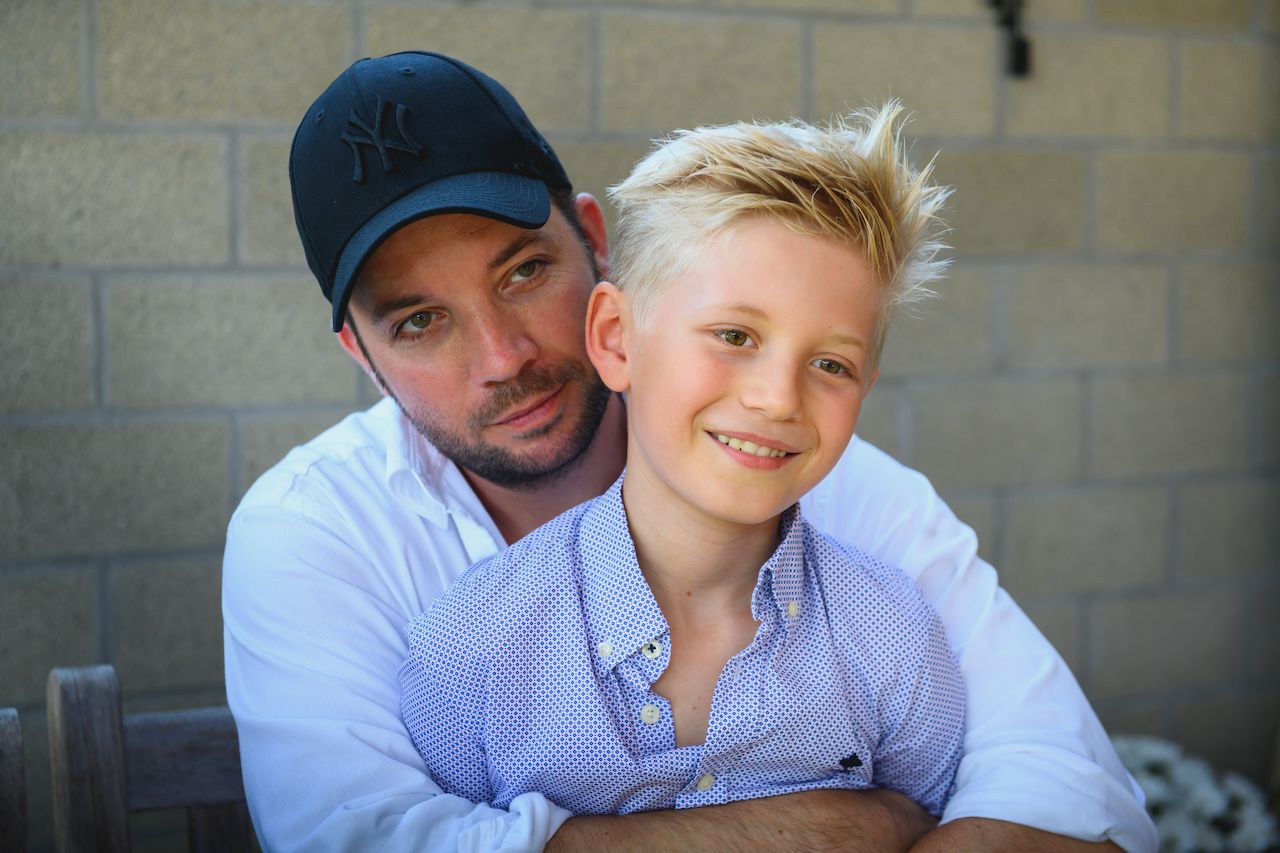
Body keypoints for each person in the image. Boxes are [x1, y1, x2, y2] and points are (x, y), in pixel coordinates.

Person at [223, 50, 1158, 851]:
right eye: (421, 322)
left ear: (595, 249)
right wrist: (849, 827)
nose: (502, 357)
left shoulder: (795, 458)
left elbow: (1068, 789)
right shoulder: (314, 531)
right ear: (362, 352)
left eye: (524, 270)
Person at [399, 105, 966, 817]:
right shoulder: (472, 648)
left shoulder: (894, 638)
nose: (776, 397)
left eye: (830, 362)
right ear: (614, 339)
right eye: (734, 334)